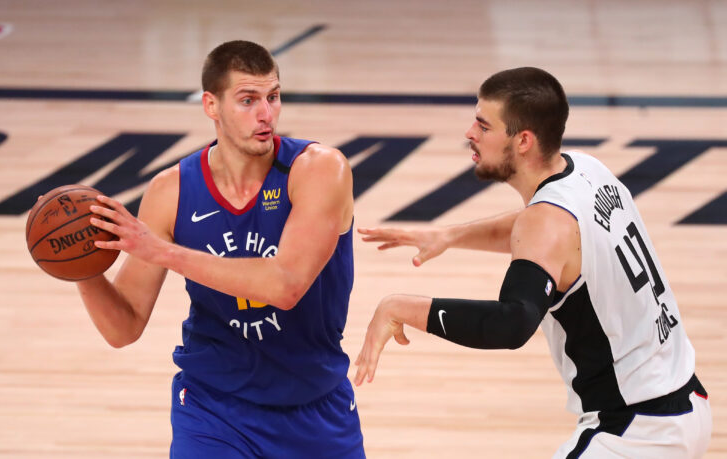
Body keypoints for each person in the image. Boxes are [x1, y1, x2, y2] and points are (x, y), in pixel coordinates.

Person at [354, 67, 711, 458]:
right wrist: (449, 236)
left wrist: (400, 307)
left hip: (633, 432)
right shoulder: (586, 170)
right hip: (685, 402)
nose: (470, 134)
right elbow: (541, 232)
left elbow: (512, 323)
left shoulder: (546, 221)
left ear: (523, 141)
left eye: (483, 125)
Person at [77, 40, 364, 458]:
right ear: (211, 105)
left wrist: (162, 251)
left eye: (273, 96)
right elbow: (123, 327)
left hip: (314, 407)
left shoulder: (319, 169)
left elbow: (286, 286)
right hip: (214, 410)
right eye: (247, 100)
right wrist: (80, 268)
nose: (266, 114)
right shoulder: (171, 191)